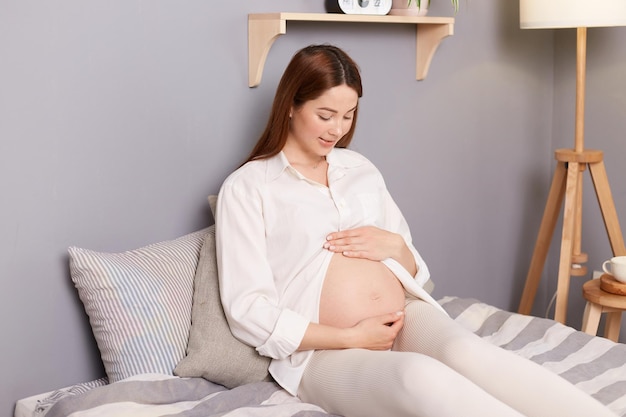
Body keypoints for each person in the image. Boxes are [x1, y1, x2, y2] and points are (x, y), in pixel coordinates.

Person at [215, 44, 616, 417]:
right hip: (323, 351)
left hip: (404, 313)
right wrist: (351, 337)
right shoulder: (249, 188)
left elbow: (417, 272)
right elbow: (248, 309)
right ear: (290, 105)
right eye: (324, 115)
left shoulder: (359, 170)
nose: (337, 128)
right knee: (419, 377)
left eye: (348, 115)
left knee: (468, 352)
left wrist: (395, 246)